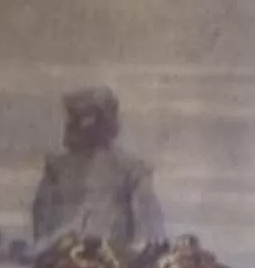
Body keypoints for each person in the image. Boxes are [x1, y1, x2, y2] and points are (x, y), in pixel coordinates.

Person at [29, 85, 164, 252]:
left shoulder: (132, 169)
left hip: (113, 264)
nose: (83, 124)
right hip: (59, 259)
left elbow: (149, 230)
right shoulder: (56, 169)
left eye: (89, 118)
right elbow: (41, 224)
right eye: (78, 117)